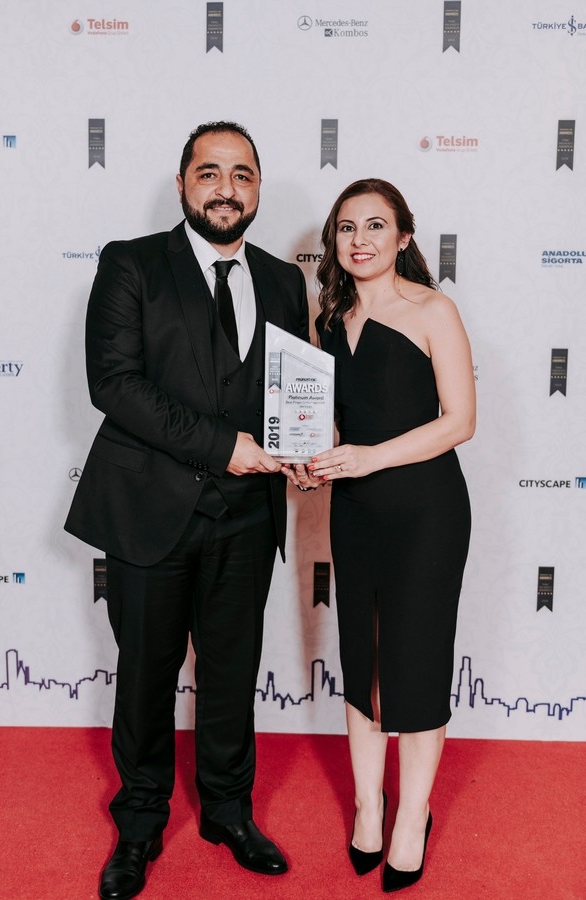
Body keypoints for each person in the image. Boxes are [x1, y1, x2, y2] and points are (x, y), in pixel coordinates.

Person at [64, 121, 309, 900]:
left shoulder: (283, 279)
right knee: (145, 676)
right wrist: (222, 445)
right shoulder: (131, 263)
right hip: (149, 511)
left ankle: (227, 812)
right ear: (182, 184)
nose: (225, 188)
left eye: (241, 174)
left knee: (231, 673)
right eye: (209, 172)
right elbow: (114, 382)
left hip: (249, 516)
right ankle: (139, 823)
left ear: (257, 187)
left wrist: (306, 443)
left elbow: (291, 391)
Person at [290, 178, 474, 892]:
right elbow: (334, 423)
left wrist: (369, 458)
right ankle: (369, 806)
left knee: (416, 662)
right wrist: (314, 461)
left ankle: (411, 816)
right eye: (346, 227)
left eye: (375, 225)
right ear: (333, 241)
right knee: (360, 656)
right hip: (356, 510)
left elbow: (459, 421)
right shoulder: (329, 320)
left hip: (427, 511)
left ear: (403, 237)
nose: (359, 239)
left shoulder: (433, 309)